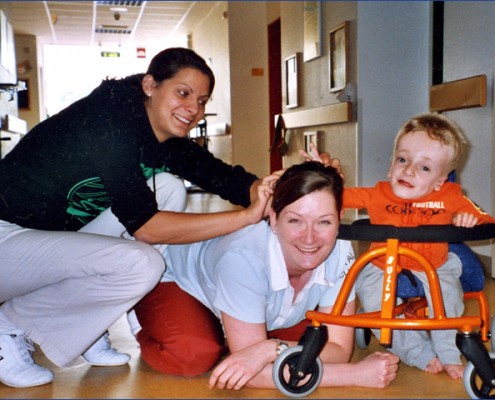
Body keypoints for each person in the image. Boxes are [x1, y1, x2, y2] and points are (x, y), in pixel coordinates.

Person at [0, 47, 280, 388]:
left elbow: (229, 180)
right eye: (183, 93)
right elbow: (145, 227)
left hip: (40, 243)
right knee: (142, 264)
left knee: (167, 188)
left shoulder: (158, 133)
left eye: (203, 100)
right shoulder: (108, 122)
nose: (194, 109)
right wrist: (244, 218)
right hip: (6, 237)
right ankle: (9, 324)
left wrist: (293, 189)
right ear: (150, 85)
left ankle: (84, 328)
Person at [132, 161, 400, 391]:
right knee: (193, 355)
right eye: (295, 220)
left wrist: (266, 350)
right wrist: (355, 376)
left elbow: (339, 350)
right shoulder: (243, 258)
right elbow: (251, 374)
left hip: (258, 303)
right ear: (273, 219)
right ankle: (141, 317)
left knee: (313, 342)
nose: (310, 237)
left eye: (324, 222)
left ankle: (236, 331)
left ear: (340, 218)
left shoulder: (341, 248)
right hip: (177, 280)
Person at [343, 112, 495, 379]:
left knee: (446, 296)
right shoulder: (378, 193)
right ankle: (417, 353)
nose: (409, 170)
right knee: (371, 297)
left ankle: (448, 352)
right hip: (383, 263)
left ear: (440, 181)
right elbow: (333, 197)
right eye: (402, 160)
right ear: (391, 166)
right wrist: (322, 177)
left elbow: (485, 219)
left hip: (435, 263)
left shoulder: (450, 195)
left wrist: (469, 218)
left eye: (424, 168)